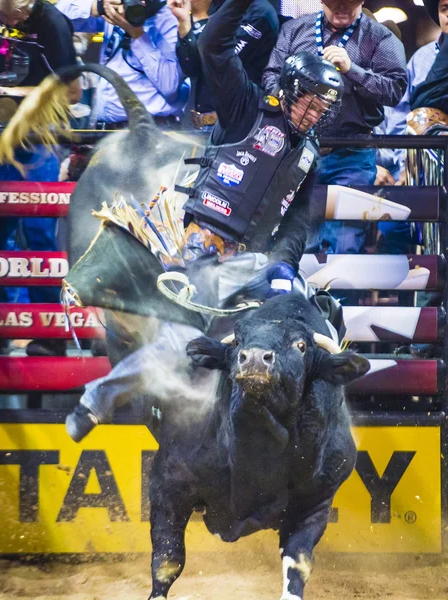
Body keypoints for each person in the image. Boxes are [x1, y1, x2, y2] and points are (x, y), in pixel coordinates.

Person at [65, 0, 345, 442]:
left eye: (321, 108)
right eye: (309, 103)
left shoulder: (308, 155)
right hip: (202, 251)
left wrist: (284, 267)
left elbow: (295, 222)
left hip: (257, 264)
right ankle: (94, 402)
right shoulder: (246, 108)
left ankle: (312, 441)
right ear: (290, 90)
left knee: (323, 321)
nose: (313, 114)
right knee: (177, 342)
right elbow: (214, 45)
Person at [0, 0, 81, 356]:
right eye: (1, 14)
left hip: (37, 143)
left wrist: (16, 93)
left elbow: (71, 93)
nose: (8, 20)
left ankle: (51, 335)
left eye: (14, 16)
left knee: (40, 238)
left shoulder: (54, 23)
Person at [262, 0, 407, 255]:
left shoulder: (380, 37)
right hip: (297, 150)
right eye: (333, 1)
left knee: (345, 242)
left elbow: (395, 90)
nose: (340, 6)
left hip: (352, 151)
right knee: (295, 236)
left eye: (347, 1)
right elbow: (271, 74)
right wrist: (283, 95)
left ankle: (337, 296)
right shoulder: (295, 30)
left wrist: (353, 70)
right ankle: (295, 295)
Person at [56, 0, 187, 129]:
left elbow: (170, 86)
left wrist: (137, 35)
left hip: (152, 131)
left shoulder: (172, 17)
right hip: (108, 130)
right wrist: (99, 6)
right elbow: (56, 17)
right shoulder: (118, 9)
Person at [168, 0, 279, 130]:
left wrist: (201, 15)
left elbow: (218, 63)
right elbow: (192, 68)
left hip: (236, 126)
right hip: (200, 123)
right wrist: (184, 22)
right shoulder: (216, 7)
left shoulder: (260, 12)